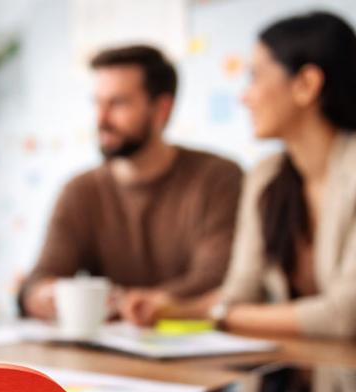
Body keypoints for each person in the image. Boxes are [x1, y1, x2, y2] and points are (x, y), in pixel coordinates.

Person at [125, 12, 356, 340]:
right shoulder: (267, 175)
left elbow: (354, 315)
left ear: (306, 84)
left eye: (255, 77)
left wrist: (220, 314)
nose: (244, 96)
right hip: (305, 370)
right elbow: (240, 292)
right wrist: (177, 308)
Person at [19, 45, 242, 322]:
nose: (101, 119)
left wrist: (136, 303)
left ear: (161, 109)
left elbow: (218, 280)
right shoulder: (80, 190)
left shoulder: (218, 178)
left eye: (118, 103)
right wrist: (43, 294)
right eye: (97, 103)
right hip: (108, 355)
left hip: (199, 350)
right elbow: (39, 279)